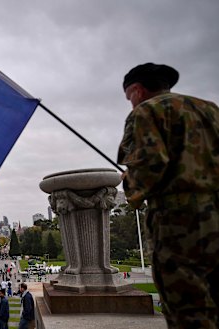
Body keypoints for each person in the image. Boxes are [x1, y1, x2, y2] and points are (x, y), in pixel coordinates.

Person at [118, 62, 219, 328]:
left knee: (189, 309)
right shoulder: (210, 109)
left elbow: (150, 166)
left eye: (130, 98)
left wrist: (131, 185)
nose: (131, 104)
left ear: (137, 91)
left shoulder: (147, 112)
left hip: (180, 222)